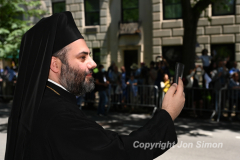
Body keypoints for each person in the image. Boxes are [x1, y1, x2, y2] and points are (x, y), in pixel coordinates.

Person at [5, 12, 185, 160]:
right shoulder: (57, 114)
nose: (93, 64)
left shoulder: (45, 101)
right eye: (82, 57)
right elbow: (119, 153)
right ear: (55, 65)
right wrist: (166, 115)